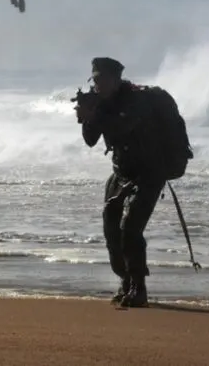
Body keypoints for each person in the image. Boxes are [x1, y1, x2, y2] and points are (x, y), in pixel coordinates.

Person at [74, 57, 173, 308]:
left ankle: (139, 288)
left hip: (150, 172)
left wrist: (96, 112)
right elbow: (90, 140)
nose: (98, 85)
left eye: (103, 80)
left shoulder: (136, 100)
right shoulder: (100, 102)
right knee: (111, 227)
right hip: (121, 173)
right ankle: (126, 280)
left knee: (130, 227)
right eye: (95, 80)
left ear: (117, 80)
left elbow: (121, 128)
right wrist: (87, 116)